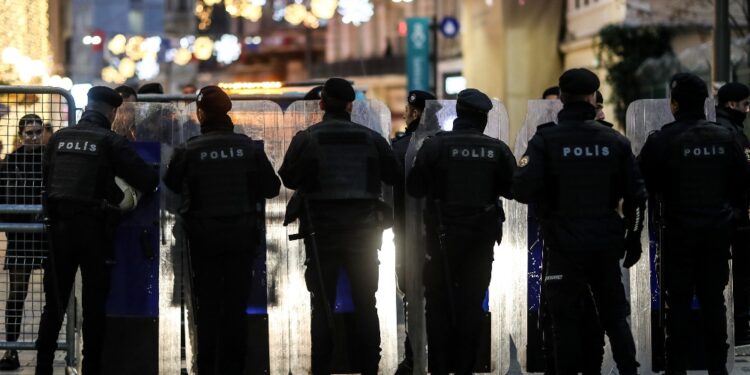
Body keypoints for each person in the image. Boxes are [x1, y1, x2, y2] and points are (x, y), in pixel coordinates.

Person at [514, 68, 644, 375]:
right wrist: (634, 237)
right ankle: (629, 370)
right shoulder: (615, 141)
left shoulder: (546, 139)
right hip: (605, 246)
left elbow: (521, 189)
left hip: (562, 246)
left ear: (561, 98)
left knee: (564, 321)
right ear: (592, 99)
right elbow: (638, 197)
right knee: (614, 318)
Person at [35, 86, 159, 375]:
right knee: (94, 307)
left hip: (58, 233)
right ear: (113, 112)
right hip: (94, 233)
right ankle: (91, 368)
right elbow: (148, 179)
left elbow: (47, 178)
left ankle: (43, 369)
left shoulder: (59, 139)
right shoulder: (110, 141)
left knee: (53, 307)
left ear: (86, 106)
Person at [279, 77, 398, 375]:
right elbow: (394, 173)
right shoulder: (371, 139)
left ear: (321, 103)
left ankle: (322, 368)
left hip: (322, 235)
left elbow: (288, 178)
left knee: (322, 306)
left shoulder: (307, 138)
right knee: (365, 303)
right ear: (350, 105)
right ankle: (369, 367)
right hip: (364, 234)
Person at [164, 85, 280, 374]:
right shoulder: (248, 149)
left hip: (203, 242)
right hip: (242, 239)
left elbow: (171, 185)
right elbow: (271, 188)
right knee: (235, 310)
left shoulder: (188, 150)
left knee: (208, 310)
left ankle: (206, 368)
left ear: (200, 114)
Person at [639, 73, 749, 375]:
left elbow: (641, 184)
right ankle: (717, 368)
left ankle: (677, 367)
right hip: (716, 233)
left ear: (673, 104)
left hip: (678, 234)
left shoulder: (662, 140)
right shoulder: (726, 139)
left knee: (679, 305)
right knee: (715, 302)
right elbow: (740, 185)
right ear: (706, 103)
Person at [407, 88, 515, 374]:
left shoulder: (435, 146)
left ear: (459, 114)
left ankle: (440, 368)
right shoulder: (497, 149)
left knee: (439, 306)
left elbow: (414, 188)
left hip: (440, 241)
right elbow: (513, 188)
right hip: (480, 243)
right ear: (483, 118)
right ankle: (465, 368)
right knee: (472, 307)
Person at [391, 89, 436, 374]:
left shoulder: (400, 147)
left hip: (407, 236)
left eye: (408, 109)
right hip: (440, 234)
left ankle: (413, 357)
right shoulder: (442, 144)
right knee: (437, 297)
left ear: (417, 113)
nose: (405, 113)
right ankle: (436, 356)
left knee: (412, 298)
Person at [0, 114, 49, 370]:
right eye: (28, 133)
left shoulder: (49, 158)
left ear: (43, 132)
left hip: (44, 234)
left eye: (37, 132)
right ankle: (11, 350)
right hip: (21, 236)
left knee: (53, 296)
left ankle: (45, 349)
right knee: (16, 296)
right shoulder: (11, 161)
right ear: (21, 135)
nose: (33, 137)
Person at [715, 82, 750, 346]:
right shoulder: (730, 133)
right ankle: (739, 330)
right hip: (734, 218)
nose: (747, 109)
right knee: (738, 277)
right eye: (745, 104)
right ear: (731, 104)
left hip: (722, 215)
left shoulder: (724, 127)